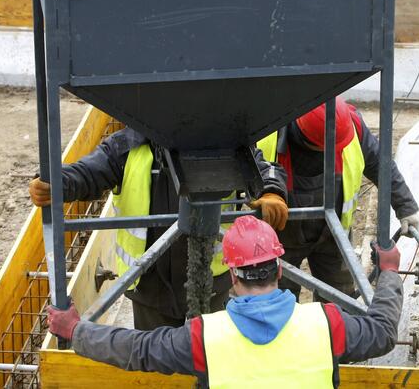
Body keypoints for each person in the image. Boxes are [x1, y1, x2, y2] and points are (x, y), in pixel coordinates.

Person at [47, 215, 404, 388]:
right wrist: (388, 272)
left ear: (231, 276)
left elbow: (135, 349)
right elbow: (383, 332)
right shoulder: (326, 324)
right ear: (279, 270)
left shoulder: (205, 337)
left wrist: (76, 331)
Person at [28, 127, 289, 330]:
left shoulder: (224, 145)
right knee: (154, 366)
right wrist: (59, 183)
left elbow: (265, 168)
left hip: (210, 280)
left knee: (211, 357)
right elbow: (88, 173)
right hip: (149, 284)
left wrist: (272, 191)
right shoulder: (128, 147)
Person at [256, 98, 419, 298]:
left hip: (333, 236)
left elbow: (381, 165)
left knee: (339, 300)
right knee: (280, 303)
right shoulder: (267, 133)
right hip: (281, 239)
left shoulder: (351, 124)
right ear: (311, 144)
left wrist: (406, 206)